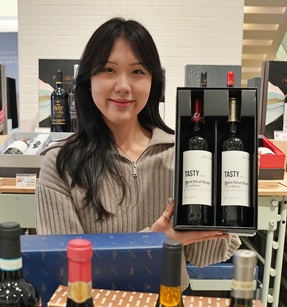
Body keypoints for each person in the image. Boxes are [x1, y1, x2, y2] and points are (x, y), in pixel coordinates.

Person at [36, 17, 240, 290]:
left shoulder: (181, 154)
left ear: (153, 82)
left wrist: (223, 197)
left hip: (170, 303)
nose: (123, 86)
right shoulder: (60, 163)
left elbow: (205, 256)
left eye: (137, 71)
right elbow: (63, 269)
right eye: (108, 69)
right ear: (88, 80)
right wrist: (153, 241)